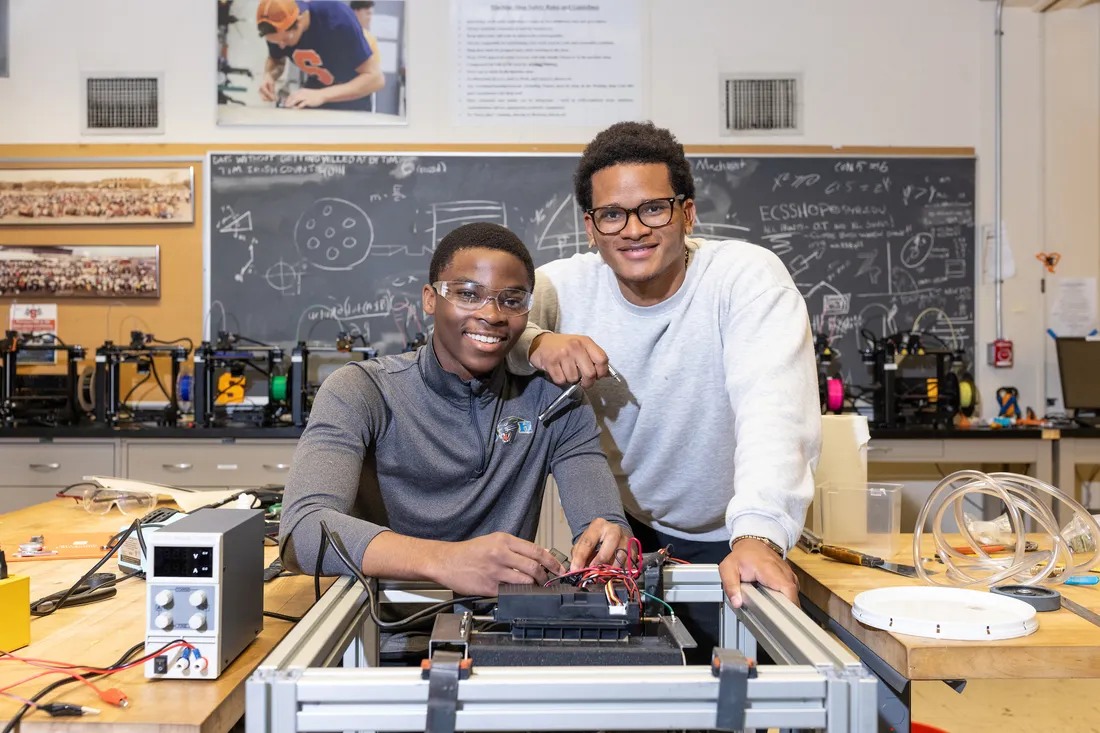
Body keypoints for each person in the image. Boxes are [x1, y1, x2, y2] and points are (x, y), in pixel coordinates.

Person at [506, 121, 821, 656]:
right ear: (590, 226)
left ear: (687, 212)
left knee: (736, 690)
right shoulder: (561, 285)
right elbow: (484, 330)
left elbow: (774, 411)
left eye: (654, 208)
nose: (634, 230)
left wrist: (760, 535)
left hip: (738, 530)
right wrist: (535, 342)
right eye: (612, 215)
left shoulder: (745, 278)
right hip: (633, 534)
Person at [279, 222, 632, 597]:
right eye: (467, 294)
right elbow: (302, 532)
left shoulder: (556, 401)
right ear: (430, 299)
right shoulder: (362, 391)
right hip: (376, 632)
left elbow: (603, 525)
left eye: (512, 300)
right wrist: (447, 560)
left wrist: (609, 538)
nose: (492, 314)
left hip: (502, 629)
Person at [256, 0, 385, 112]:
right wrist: (269, 75)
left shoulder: (336, 19)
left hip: (352, 102)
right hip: (313, 96)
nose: (282, 47)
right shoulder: (277, 29)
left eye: (285, 40)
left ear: (299, 22)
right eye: (275, 42)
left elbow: (376, 79)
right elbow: (276, 60)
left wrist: (322, 95)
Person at [349, 1, 381, 113]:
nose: (370, 18)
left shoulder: (370, 38)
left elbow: (375, 70)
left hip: (361, 94)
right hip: (348, 92)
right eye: (368, 13)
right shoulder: (367, 38)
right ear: (356, 12)